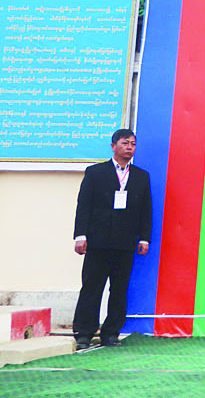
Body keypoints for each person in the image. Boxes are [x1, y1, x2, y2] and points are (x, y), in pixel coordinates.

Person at [72, 129, 151, 350]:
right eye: (125, 143)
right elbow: (83, 206)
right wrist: (80, 235)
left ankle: (111, 333)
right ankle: (84, 333)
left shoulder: (141, 176)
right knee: (92, 287)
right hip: (97, 242)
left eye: (133, 144)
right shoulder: (95, 172)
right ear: (113, 146)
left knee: (119, 289)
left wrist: (144, 238)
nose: (129, 147)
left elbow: (146, 210)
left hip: (125, 242)